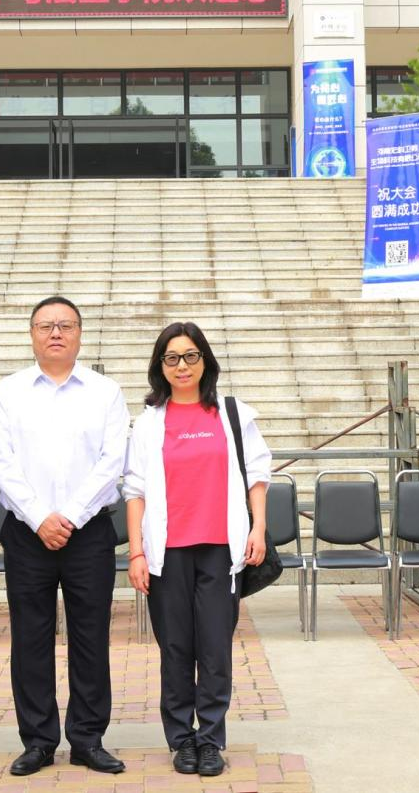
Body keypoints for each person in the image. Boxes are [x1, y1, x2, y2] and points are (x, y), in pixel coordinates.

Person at [0, 296, 130, 777]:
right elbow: (3, 464)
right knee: (30, 638)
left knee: (91, 636)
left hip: (89, 532)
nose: (55, 333)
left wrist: (67, 516)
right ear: (31, 334)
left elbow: (112, 462)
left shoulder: (105, 392)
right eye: (45, 325)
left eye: (65, 325)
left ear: (79, 334)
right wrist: (39, 518)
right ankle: (39, 740)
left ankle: (88, 738)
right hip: (27, 533)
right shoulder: (8, 392)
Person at [122, 321, 271, 778]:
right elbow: (135, 491)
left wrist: (259, 528)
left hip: (220, 550)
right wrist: (136, 553)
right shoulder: (149, 423)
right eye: (172, 358)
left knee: (214, 648)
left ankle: (210, 739)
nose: (182, 366)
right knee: (175, 648)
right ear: (160, 366)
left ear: (204, 360)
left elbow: (257, 475)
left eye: (190, 356)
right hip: (166, 553)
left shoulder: (231, 414)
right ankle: (180, 739)